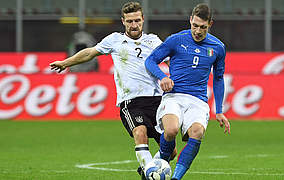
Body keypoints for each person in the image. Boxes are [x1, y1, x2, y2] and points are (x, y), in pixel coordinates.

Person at [49, 2, 176, 179]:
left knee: (171, 151)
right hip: (131, 102)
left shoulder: (153, 41)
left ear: (143, 20)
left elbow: (173, 63)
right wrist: (65, 63)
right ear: (123, 21)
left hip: (156, 101)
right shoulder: (115, 40)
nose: (134, 25)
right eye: (130, 21)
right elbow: (89, 53)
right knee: (140, 133)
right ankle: (150, 173)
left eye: (137, 20)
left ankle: (147, 169)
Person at [145, 3, 231, 180]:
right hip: (174, 96)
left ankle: (175, 178)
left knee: (197, 132)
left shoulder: (218, 47)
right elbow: (151, 60)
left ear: (210, 24)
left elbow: (219, 78)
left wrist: (220, 110)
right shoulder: (176, 40)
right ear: (190, 20)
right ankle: (160, 165)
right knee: (170, 131)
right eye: (195, 25)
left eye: (203, 27)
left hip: (198, 100)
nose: (198, 31)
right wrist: (162, 77)